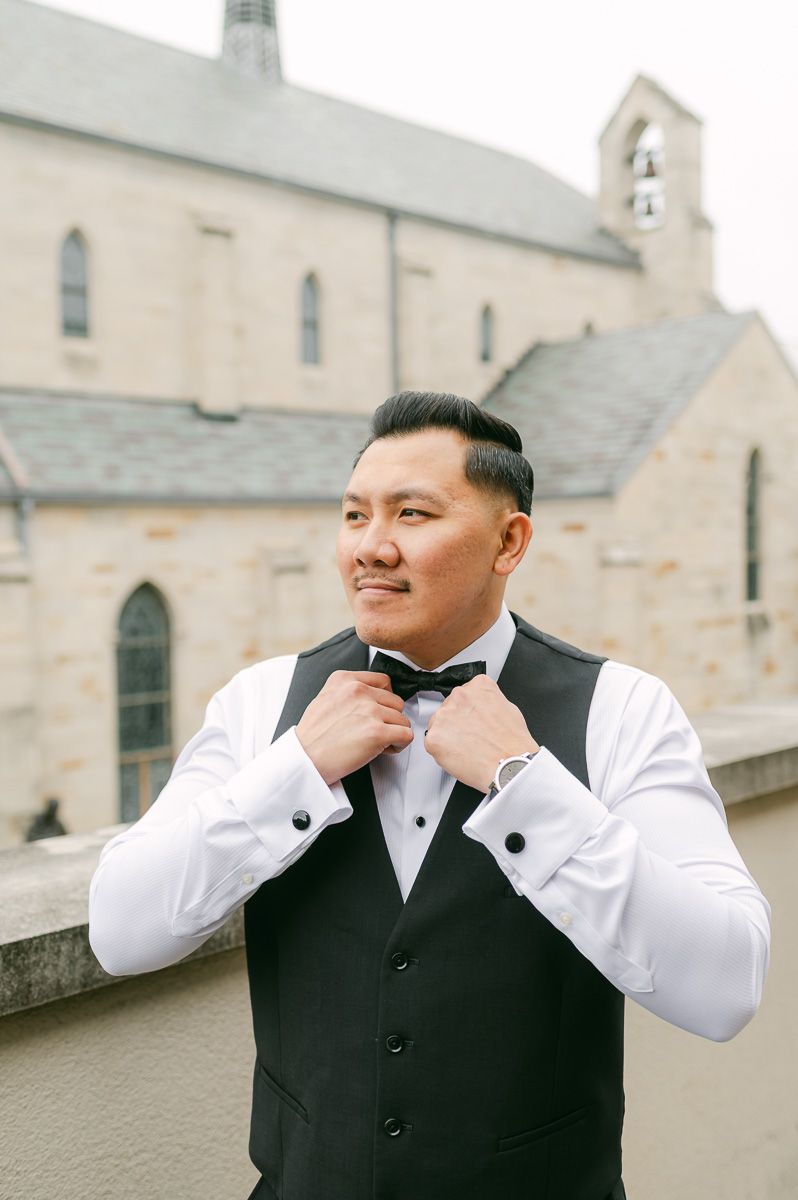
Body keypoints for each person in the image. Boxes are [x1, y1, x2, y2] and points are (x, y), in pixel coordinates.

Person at [89, 392, 771, 1200]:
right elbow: (119, 931)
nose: (371, 548)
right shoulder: (259, 703)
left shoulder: (624, 709)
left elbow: (727, 984)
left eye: (412, 514)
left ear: (508, 540)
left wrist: (525, 785)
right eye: (353, 517)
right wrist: (296, 771)